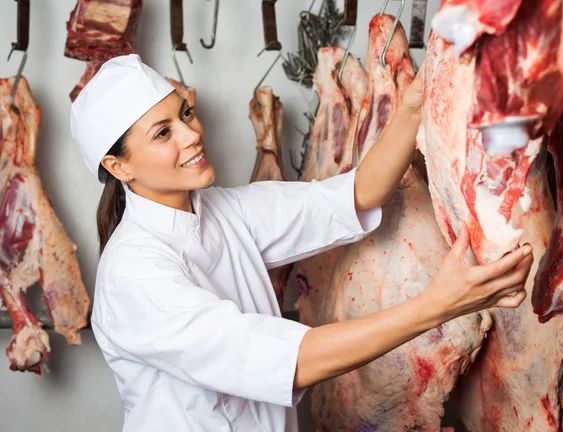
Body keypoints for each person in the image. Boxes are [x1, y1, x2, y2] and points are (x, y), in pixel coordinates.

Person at [70, 54, 533, 432]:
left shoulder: (225, 212)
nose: (192, 135)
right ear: (119, 168)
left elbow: (355, 195)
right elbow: (291, 361)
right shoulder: (133, 273)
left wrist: (414, 106)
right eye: (163, 133)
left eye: (184, 114)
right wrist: (439, 305)